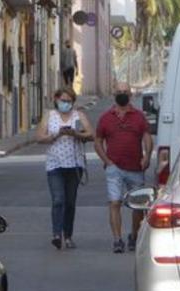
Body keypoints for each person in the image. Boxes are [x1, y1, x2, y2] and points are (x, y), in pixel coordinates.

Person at [95, 82, 152, 254]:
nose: (122, 94)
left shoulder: (139, 117)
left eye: (125, 92)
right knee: (114, 203)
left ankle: (133, 236)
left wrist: (147, 156)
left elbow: (147, 137)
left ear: (130, 94)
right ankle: (117, 239)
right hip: (114, 168)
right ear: (114, 94)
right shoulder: (105, 118)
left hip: (135, 168)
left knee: (138, 205)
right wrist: (106, 160)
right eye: (119, 91)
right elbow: (98, 141)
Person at [35, 88, 93, 250]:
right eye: (63, 100)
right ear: (56, 99)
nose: (65, 104)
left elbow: (91, 134)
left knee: (70, 202)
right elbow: (39, 137)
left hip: (75, 165)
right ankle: (56, 234)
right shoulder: (49, 116)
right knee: (58, 199)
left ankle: (68, 235)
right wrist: (56, 135)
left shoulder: (79, 116)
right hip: (55, 164)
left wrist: (76, 134)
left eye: (69, 101)